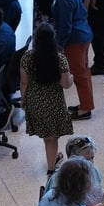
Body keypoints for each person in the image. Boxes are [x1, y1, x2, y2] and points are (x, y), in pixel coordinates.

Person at [19, 22, 75, 172]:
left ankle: (53, 158)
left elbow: (24, 82)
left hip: (35, 102)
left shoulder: (27, 57)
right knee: (52, 137)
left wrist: (23, 99)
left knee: (47, 136)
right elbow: (66, 84)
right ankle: (51, 168)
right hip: (54, 102)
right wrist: (71, 78)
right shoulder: (59, 58)